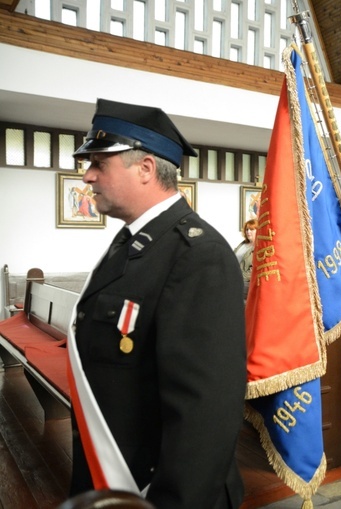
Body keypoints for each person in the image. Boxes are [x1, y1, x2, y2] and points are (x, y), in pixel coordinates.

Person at [69, 99, 247, 508]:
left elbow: (205, 415)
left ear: (146, 169)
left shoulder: (197, 255)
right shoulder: (132, 242)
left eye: (99, 163)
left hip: (159, 488)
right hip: (113, 469)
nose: (88, 175)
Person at [234, 218, 256, 300]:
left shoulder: (258, 247)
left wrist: (238, 276)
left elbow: (253, 270)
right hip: (234, 279)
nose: (248, 232)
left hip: (245, 283)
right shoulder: (243, 244)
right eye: (247, 229)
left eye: (252, 229)